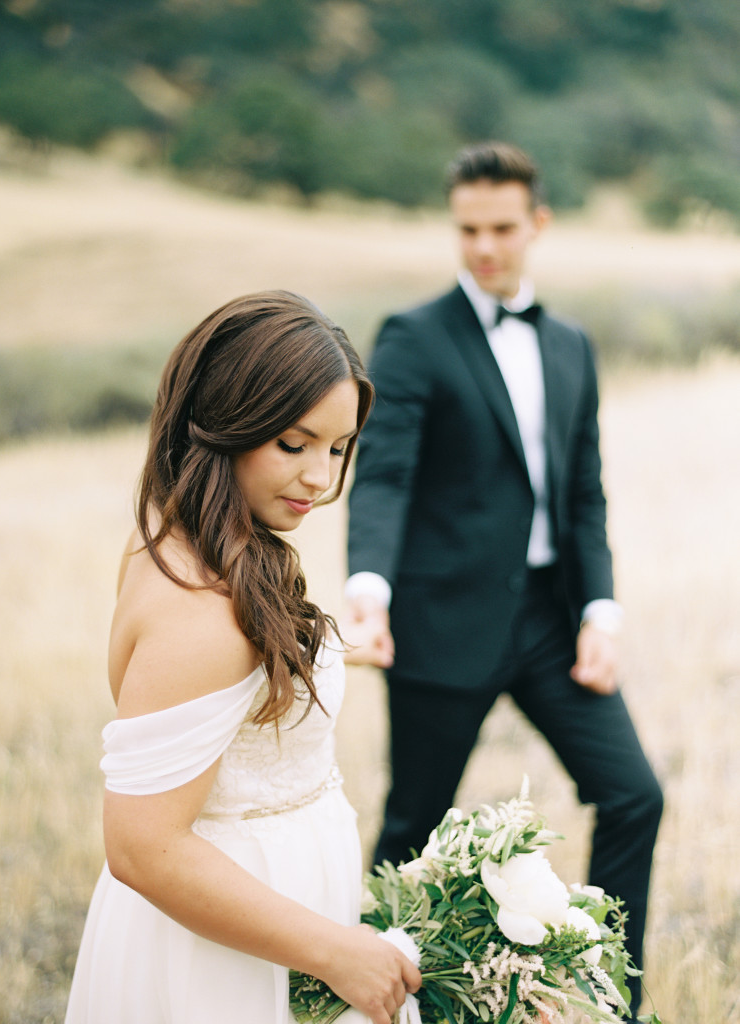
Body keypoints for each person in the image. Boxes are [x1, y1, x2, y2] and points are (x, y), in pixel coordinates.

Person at [345, 142, 663, 1020]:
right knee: (410, 830)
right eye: (466, 230)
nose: (482, 247)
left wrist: (599, 608)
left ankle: (609, 1001)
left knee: (634, 793)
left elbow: (582, 492)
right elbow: (385, 475)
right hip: (439, 624)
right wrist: (367, 589)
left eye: (500, 228)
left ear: (537, 225)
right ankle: (371, 1003)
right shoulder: (412, 336)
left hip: (549, 624)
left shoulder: (569, 346)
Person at [64, 291, 421, 1024]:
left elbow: (227, 695)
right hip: (219, 958)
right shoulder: (199, 606)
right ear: (225, 421)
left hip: (273, 921)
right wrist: (334, 952)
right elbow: (142, 848)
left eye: (337, 447)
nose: (320, 480)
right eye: (293, 444)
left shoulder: (189, 541)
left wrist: (325, 650)